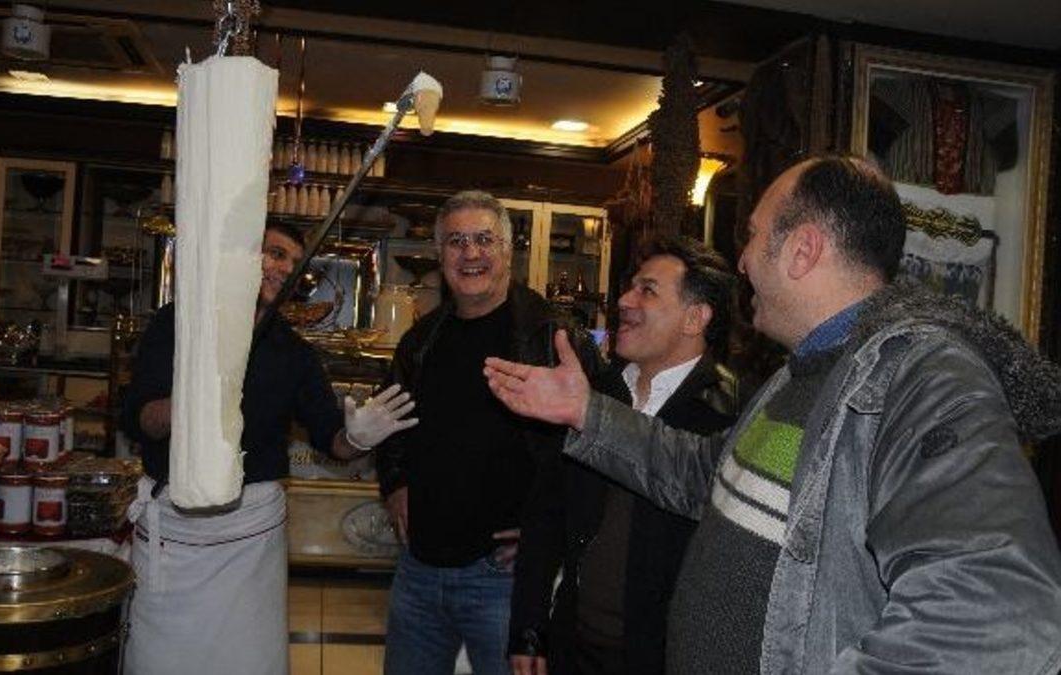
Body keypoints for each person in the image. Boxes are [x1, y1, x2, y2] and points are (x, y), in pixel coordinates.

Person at [485, 155, 1061, 673]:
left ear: (803, 250)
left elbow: (994, 615)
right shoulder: (800, 374)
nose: (741, 261)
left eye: (755, 236)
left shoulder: (924, 380)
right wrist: (587, 411)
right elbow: (701, 474)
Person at [120, 221, 417, 675]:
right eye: (276, 254)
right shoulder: (177, 324)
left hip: (250, 538)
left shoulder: (293, 353)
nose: (284, 269)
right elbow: (138, 419)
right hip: (173, 532)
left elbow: (331, 439)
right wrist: (186, 406)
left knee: (248, 660)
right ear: (243, 254)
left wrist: (358, 437)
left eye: (294, 264)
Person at [376, 190, 600, 675]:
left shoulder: (553, 337)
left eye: (484, 239)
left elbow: (601, 445)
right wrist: (394, 484)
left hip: (503, 579)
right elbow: (389, 423)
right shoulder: (421, 339)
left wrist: (549, 536)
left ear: (508, 249)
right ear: (440, 254)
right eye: (456, 241)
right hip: (418, 571)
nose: (470, 253)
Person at [508, 236, 738, 675]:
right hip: (574, 648)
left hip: (665, 659)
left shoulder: (729, 414)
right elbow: (546, 516)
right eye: (630, 288)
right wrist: (529, 627)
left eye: (647, 291)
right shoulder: (590, 396)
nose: (625, 302)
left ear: (695, 318)